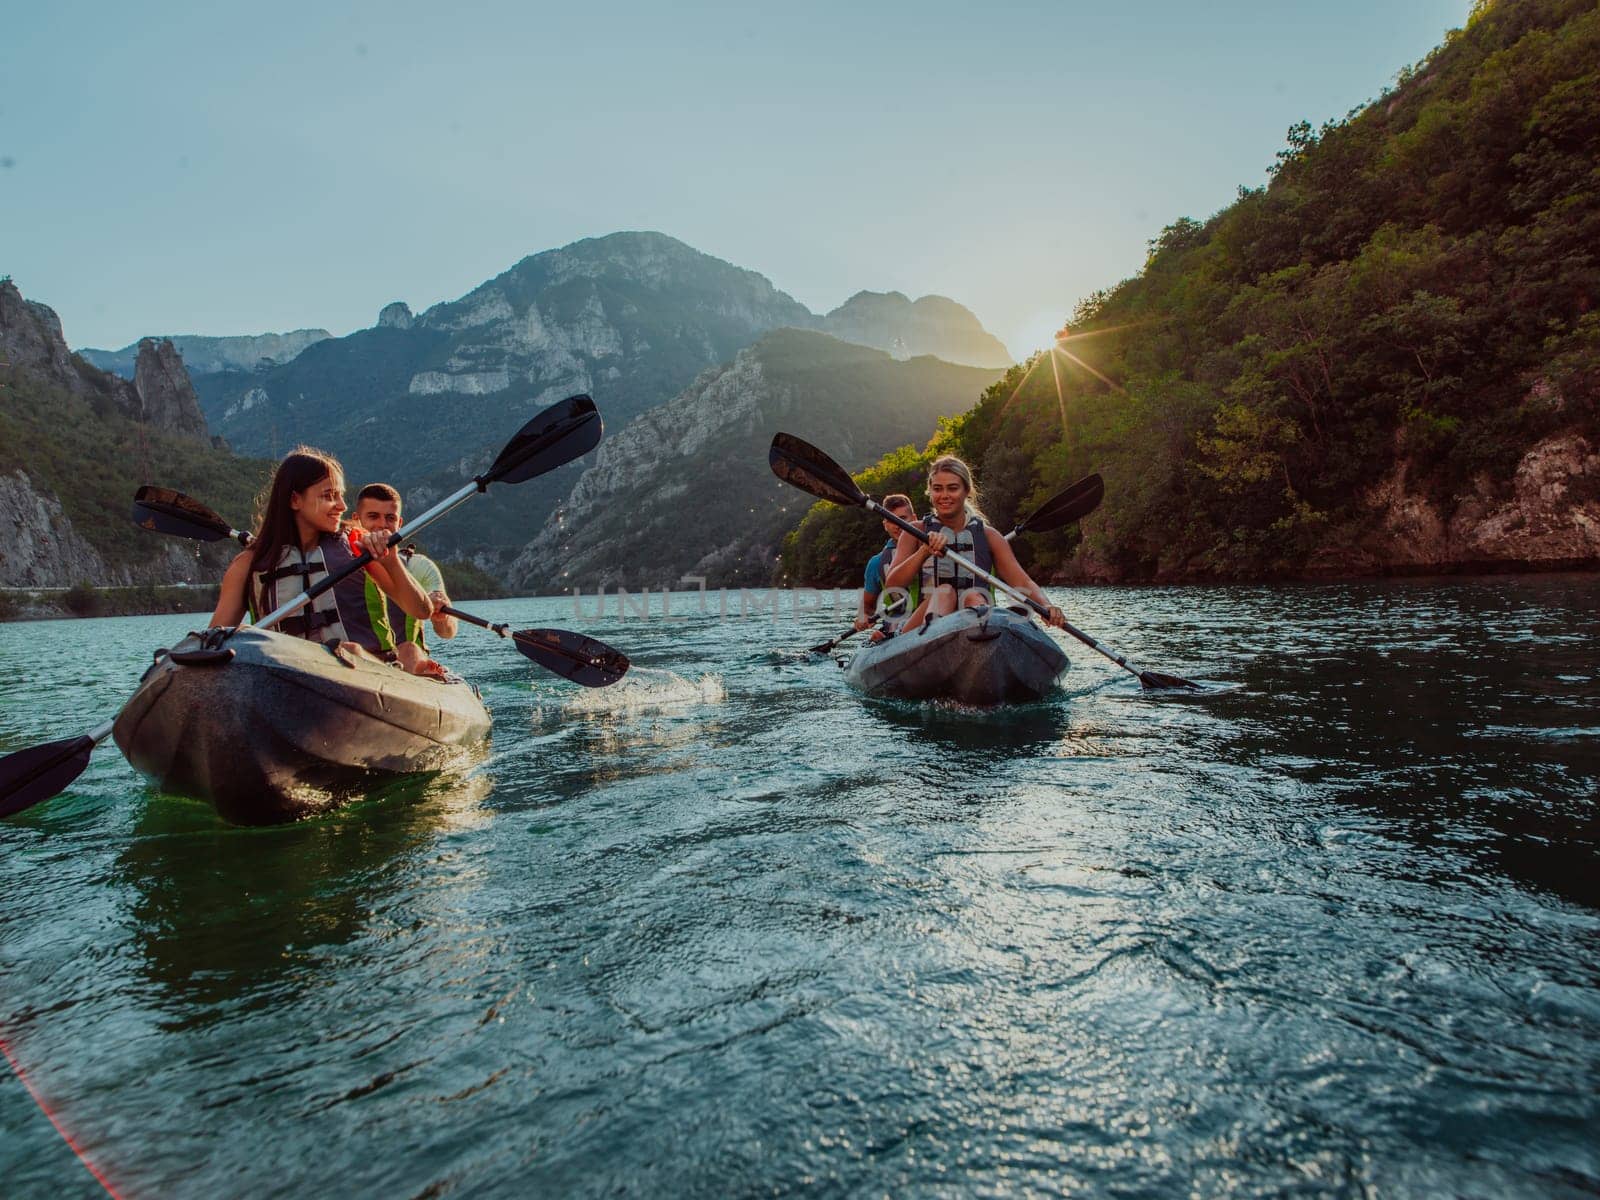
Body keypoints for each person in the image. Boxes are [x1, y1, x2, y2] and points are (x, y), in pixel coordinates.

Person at [208, 448, 435, 656]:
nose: (342, 506)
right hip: (283, 681)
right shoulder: (247, 564)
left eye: (341, 495)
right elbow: (214, 643)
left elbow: (421, 610)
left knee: (352, 650)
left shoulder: (357, 545)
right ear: (295, 500)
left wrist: (392, 561)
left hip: (365, 679)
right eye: (329, 496)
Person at [884, 454, 1067, 635]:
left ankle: (984, 633)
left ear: (967, 491)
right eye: (938, 489)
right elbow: (893, 583)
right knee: (945, 592)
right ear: (930, 492)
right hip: (921, 625)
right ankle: (937, 639)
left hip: (973, 616)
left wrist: (1046, 605)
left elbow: (1021, 580)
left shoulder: (990, 536)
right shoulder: (914, 532)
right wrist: (924, 551)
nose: (944, 495)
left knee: (973, 595)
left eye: (953, 488)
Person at [352, 483, 458, 676]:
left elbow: (447, 632)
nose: (382, 525)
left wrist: (442, 616)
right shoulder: (340, 561)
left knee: (408, 650)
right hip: (358, 662)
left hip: (409, 665)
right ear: (356, 520)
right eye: (373, 516)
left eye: (390, 518)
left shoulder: (418, 566)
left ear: (399, 524)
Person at [854, 492, 915, 638]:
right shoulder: (876, 563)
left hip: (931, 618)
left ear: (914, 519)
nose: (898, 526)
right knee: (876, 637)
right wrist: (863, 616)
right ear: (885, 525)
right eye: (892, 520)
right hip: (897, 626)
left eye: (902, 519)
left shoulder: (933, 549)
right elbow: (868, 606)